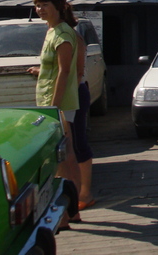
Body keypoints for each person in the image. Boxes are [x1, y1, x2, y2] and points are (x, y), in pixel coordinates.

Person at [27, 0, 82, 225]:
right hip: (51, 100)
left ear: (58, 7)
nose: (40, 10)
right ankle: (71, 211)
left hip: (58, 103)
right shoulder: (51, 32)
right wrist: (41, 72)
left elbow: (66, 70)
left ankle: (69, 211)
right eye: (37, 6)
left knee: (64, 157)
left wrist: (54, 106)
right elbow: (56, 68)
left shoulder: (62, 33)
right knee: (64, 155)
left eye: (45, 5)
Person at [71, 29, 95, 213]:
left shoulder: (72, 37)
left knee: (78, 143)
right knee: (66, 145)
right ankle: (74, 191)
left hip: (73, 93)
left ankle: (84, 193)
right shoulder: (52, 33)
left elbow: (73, 72)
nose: (40, 9)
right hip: (65, 95)